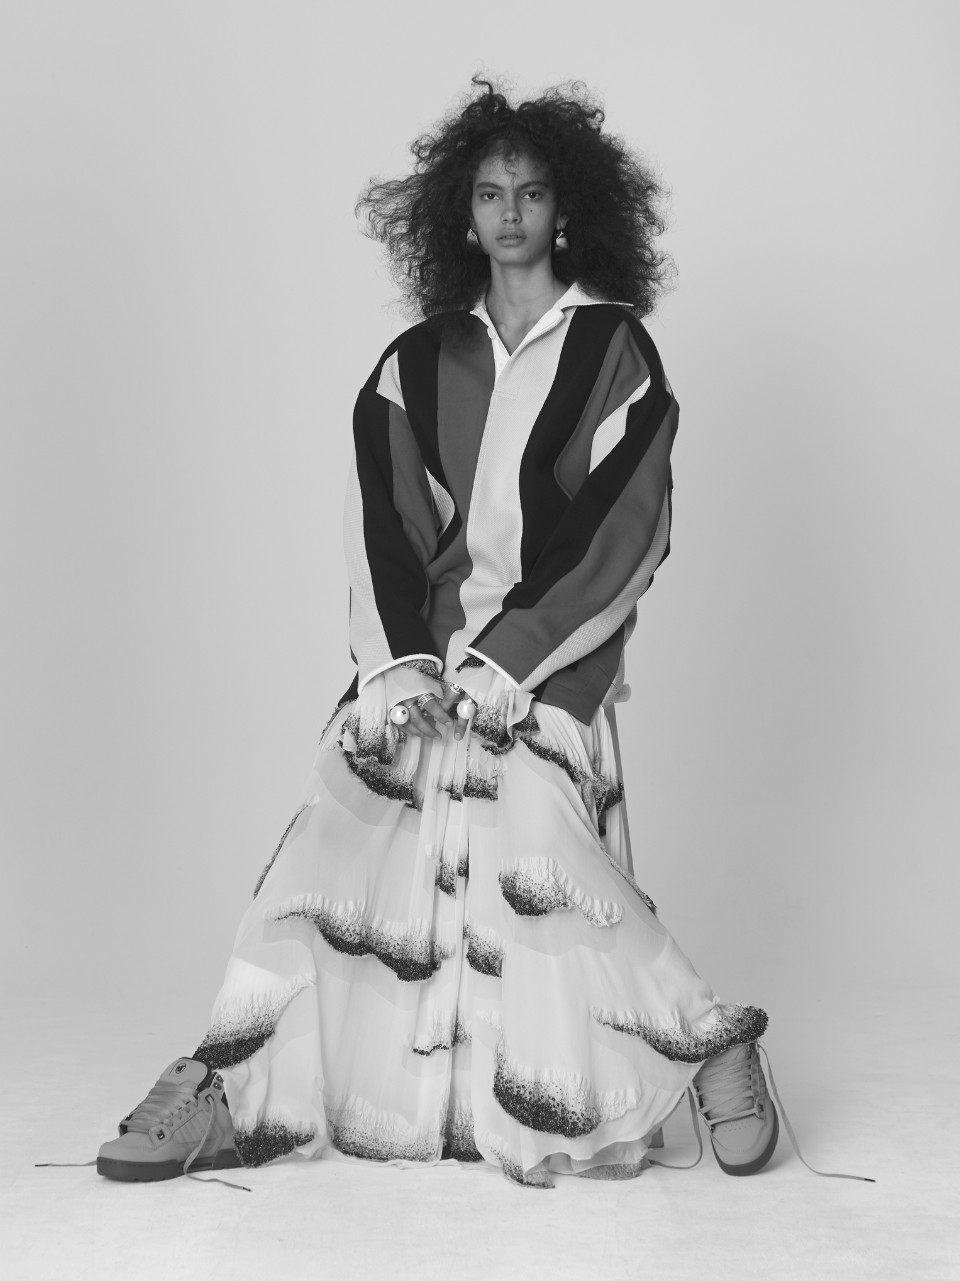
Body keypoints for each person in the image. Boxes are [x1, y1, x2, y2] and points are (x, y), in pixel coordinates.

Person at [96, 77, 779, 1188]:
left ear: (568, 210)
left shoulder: (616, 350)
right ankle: (226, 1085)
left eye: (532, 193)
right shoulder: (414, 364)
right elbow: (382, 527)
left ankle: (711, 1043)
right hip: (425, 671)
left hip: (547, 673)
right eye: (491, 194)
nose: (511, 213)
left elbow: (627, 528)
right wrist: (400, 668)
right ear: (462, 215)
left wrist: (513, 660)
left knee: (544, 853)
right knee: (326, 847)